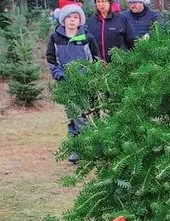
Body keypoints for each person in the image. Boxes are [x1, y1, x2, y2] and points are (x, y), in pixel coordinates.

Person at [46, 3, 99, 164]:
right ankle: (76, 148)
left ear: (80, 20)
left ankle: (92, 147)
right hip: (67, 84)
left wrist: (91, 77)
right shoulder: (55, 38)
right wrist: (59, 75)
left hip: (86, 83)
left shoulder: (87, 37)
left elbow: (95, 59)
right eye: (69, 17)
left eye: (75, 17)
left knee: (89, 115)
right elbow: (51, 59)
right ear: (63, 20)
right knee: (73, 116)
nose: (72, 20)